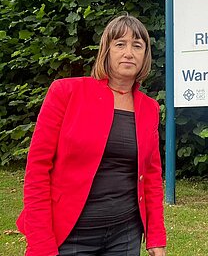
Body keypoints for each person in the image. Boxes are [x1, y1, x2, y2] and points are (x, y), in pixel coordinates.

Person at [16, 14, 167, 256]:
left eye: (137, 45)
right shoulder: (66, 92)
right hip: (70, 233)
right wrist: (41, 243)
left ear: (145, 55)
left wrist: (156, 236)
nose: (129, 52)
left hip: (125, 234)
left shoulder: (149, 108)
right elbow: (37, 169)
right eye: (120, 44)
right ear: (106, 51)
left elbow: (150, 174)